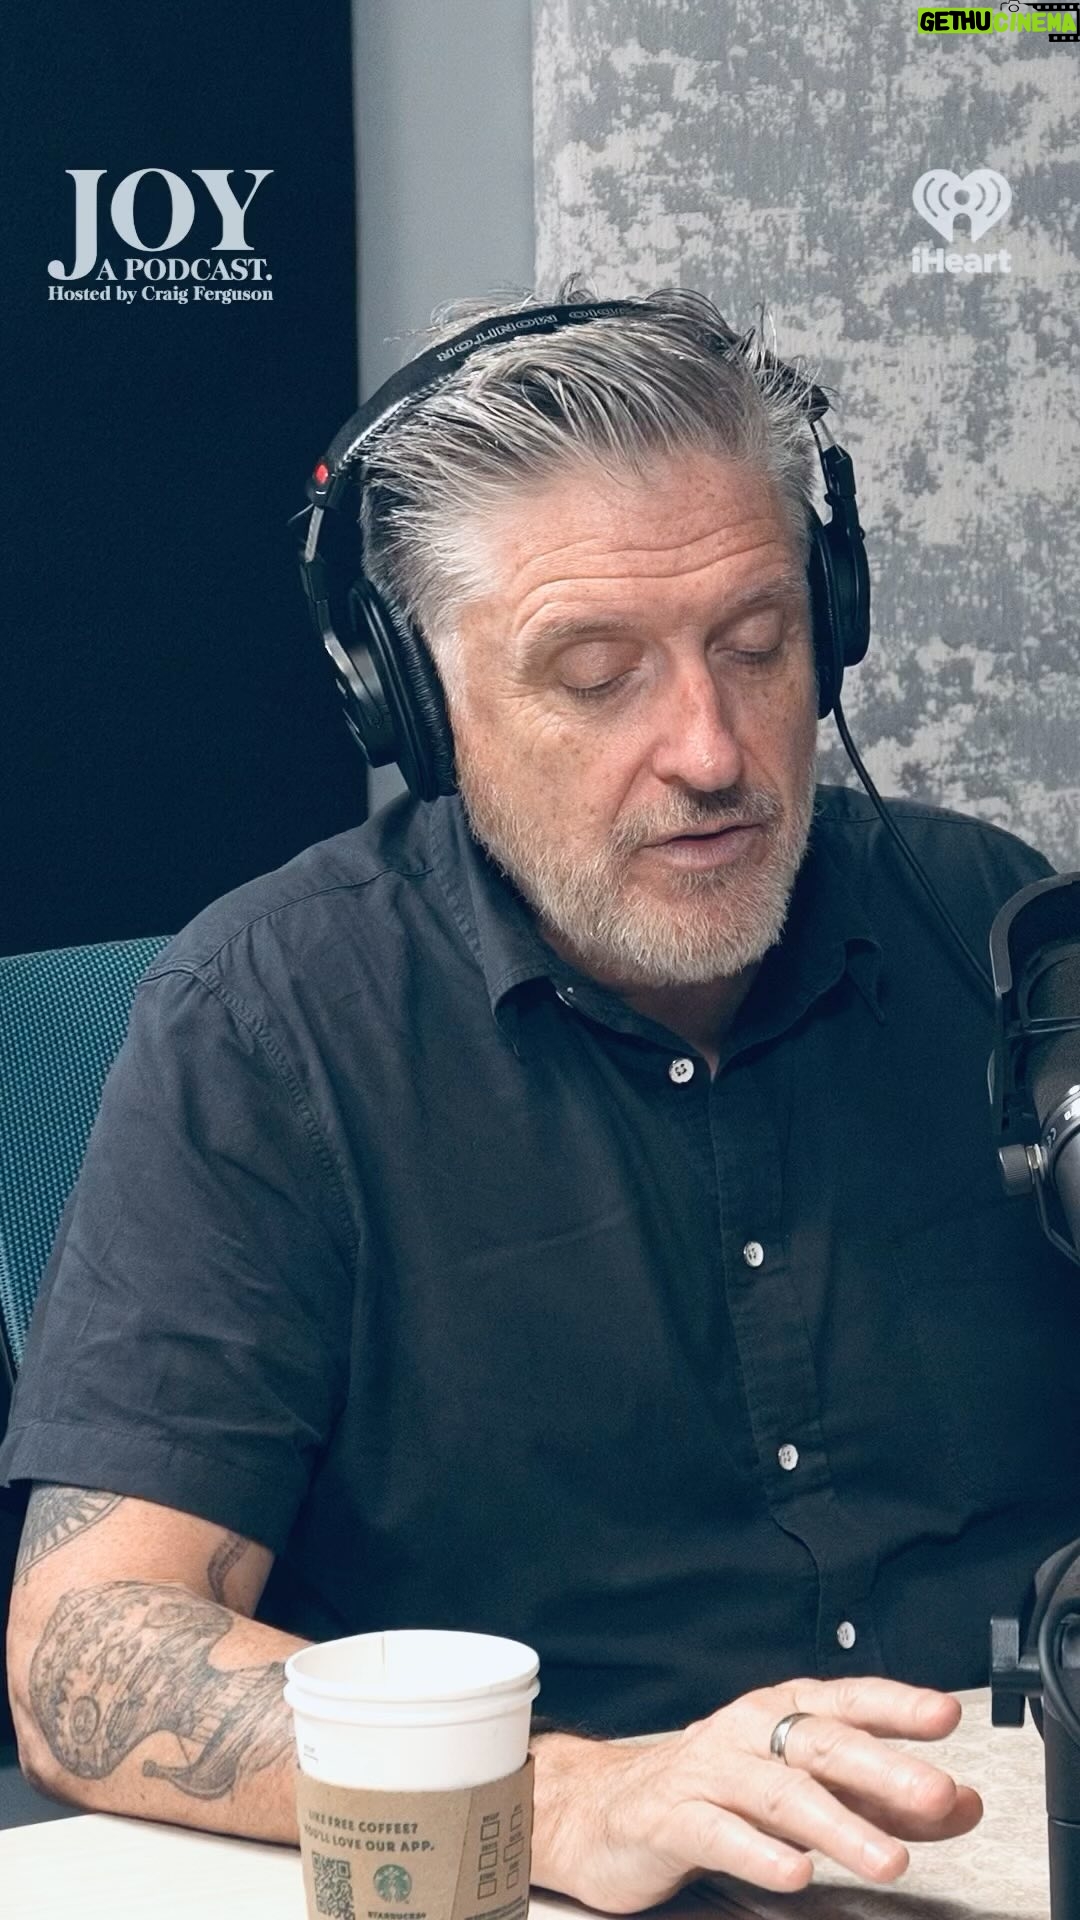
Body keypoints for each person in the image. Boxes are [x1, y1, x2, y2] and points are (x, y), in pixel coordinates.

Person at [3, 279, 1076, 1906]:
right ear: (418, 704)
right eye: (595, 673)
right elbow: (87, 1651)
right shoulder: (268, 1022)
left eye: (757, 645)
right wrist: (568, 1795)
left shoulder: (995, 929)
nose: (711, 748)